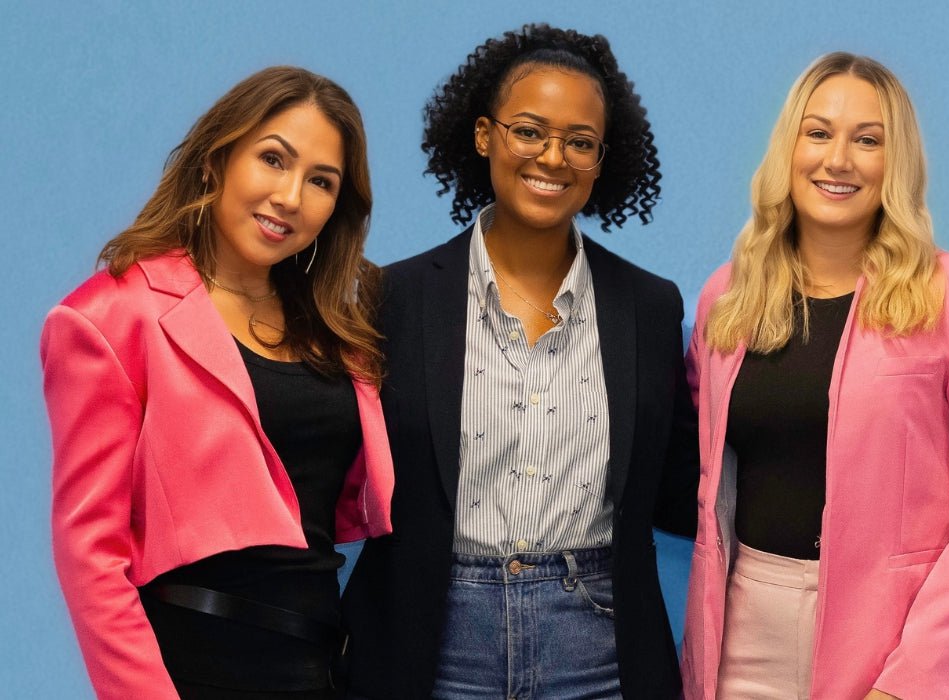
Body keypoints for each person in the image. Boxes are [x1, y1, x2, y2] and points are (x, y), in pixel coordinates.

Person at [342, 23, 698, 699]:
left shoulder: (649, 308)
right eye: (529, 130)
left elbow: (683, 488)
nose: (552, 157)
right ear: (484, 136)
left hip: (598, 645)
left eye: (580, 141)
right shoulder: (392, 298)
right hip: (433, 642)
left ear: (601, 159)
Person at [681, 52, 949, 699]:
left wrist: (911, 681)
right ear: (790, 148)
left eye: (867, 140)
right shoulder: (725, 299)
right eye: (818, 133)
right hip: (742, 638)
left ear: (894, 163)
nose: (837, 159)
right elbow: (698, 472)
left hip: (894, 645)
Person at [40, 66, 393, 700]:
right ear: (214, 160)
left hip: (328, 671)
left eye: (320, 181)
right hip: (198, 671)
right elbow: (90, 557)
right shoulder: (113, 317)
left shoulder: (337, 333)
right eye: (272, 160)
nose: (290, 196)